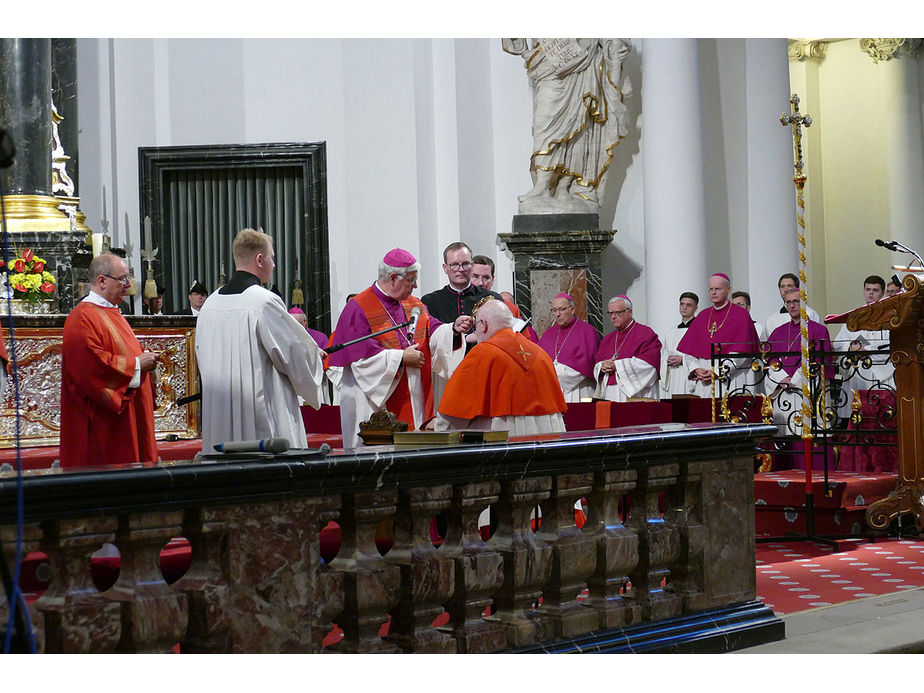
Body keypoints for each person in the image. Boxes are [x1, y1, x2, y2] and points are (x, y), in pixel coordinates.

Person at [195, 228, 326, 453]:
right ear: (259, 259)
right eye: (272, 258)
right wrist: (314, 357)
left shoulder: (210, 303)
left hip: (219, 410)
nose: (273, 265)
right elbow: (292, 353)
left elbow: (201, 352)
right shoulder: (264, 301)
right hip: (260, 412)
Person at [329, 248, 468, 449]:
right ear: (393, 278)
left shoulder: (413, 304)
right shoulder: (359, 307)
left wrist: (453, 329)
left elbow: (432, 329)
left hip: (414, 397)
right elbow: (360, 360)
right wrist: (401, 358)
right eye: (411, 280)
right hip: (376, 402)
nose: (416, 285)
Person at [502, 38, 632, 214]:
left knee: (580, 128)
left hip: (584, 55)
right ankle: (542, 185)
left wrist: (613, 45)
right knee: (544, 124)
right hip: (551, 58)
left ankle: (565, 186)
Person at [60, 253, 158, 468]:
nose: (128, 285)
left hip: (130, 415)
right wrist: (138, 364)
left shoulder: (113, 312)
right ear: (102, 280)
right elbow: (92, 369)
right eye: (122, 279)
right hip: (104, 426)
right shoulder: (81, 318)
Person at [435, 298, 566, 436]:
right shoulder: (541, 354)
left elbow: (453, 418)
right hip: (549, 441)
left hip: (505, 442)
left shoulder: (482, 353)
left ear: (483, 325)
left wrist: (438, 428)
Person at [677, 273, 761, 398]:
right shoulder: (703, 316)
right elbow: (690, 352)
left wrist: (717, 372)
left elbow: (741, 353)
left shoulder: (741, 315)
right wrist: (696, 369)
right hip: (704, 379)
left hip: (731, 379)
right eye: (711, 289)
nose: (713, 293)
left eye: (718, 289)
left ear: (728, 290)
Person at [765, 287, 834, 438]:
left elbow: (817, 360)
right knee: (786, 436)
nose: (792, 306)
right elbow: (770, 359)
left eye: (796, 301)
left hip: (807, 392)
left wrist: (795, 380)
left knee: (808, 434)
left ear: (803, 303)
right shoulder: (778, 332)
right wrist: (781, 378)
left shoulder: (818, 330)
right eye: (788, 302)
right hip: (783, 391)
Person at [833, 274, 894, 423]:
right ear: (864, 291)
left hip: (881, 375)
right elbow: (838, 344)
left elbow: (892, 344)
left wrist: (865, 348)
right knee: (857, 418)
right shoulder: (854, 317)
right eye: (868, 289)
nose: (871, 293)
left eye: (875, 290)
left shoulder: (890, 318)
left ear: (882, 293)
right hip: (857, 375)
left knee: (881, 419)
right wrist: (850, 347)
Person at [592, 295, 662, 401]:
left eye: (618, 312)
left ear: (629, 312)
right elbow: (597, 363)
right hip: (610, 394)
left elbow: (649, 366)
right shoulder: (607, 339)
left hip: (635, 395)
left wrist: (617, 366)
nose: (613, 317)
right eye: (610, 313)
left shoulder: (646, 334)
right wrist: (602, 368)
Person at [537, 293, 600, 401]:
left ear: (573, 309)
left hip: (579, 390)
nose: (557, 314)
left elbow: (586, 363)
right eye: (554, 310)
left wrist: (552, 374)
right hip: (553, 391)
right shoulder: (549, 333)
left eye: (561, 309)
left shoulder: (587, 331)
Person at [660, 291, 698, 396]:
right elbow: (663, 354)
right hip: (672, 376)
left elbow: (701, 356)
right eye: (682, 304)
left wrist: (683, 360)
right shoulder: (670, 332)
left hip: (689, 377)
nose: (684, 308)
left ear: (696, 308)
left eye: (688, 305)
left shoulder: (700, 331)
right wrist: (666, 360)